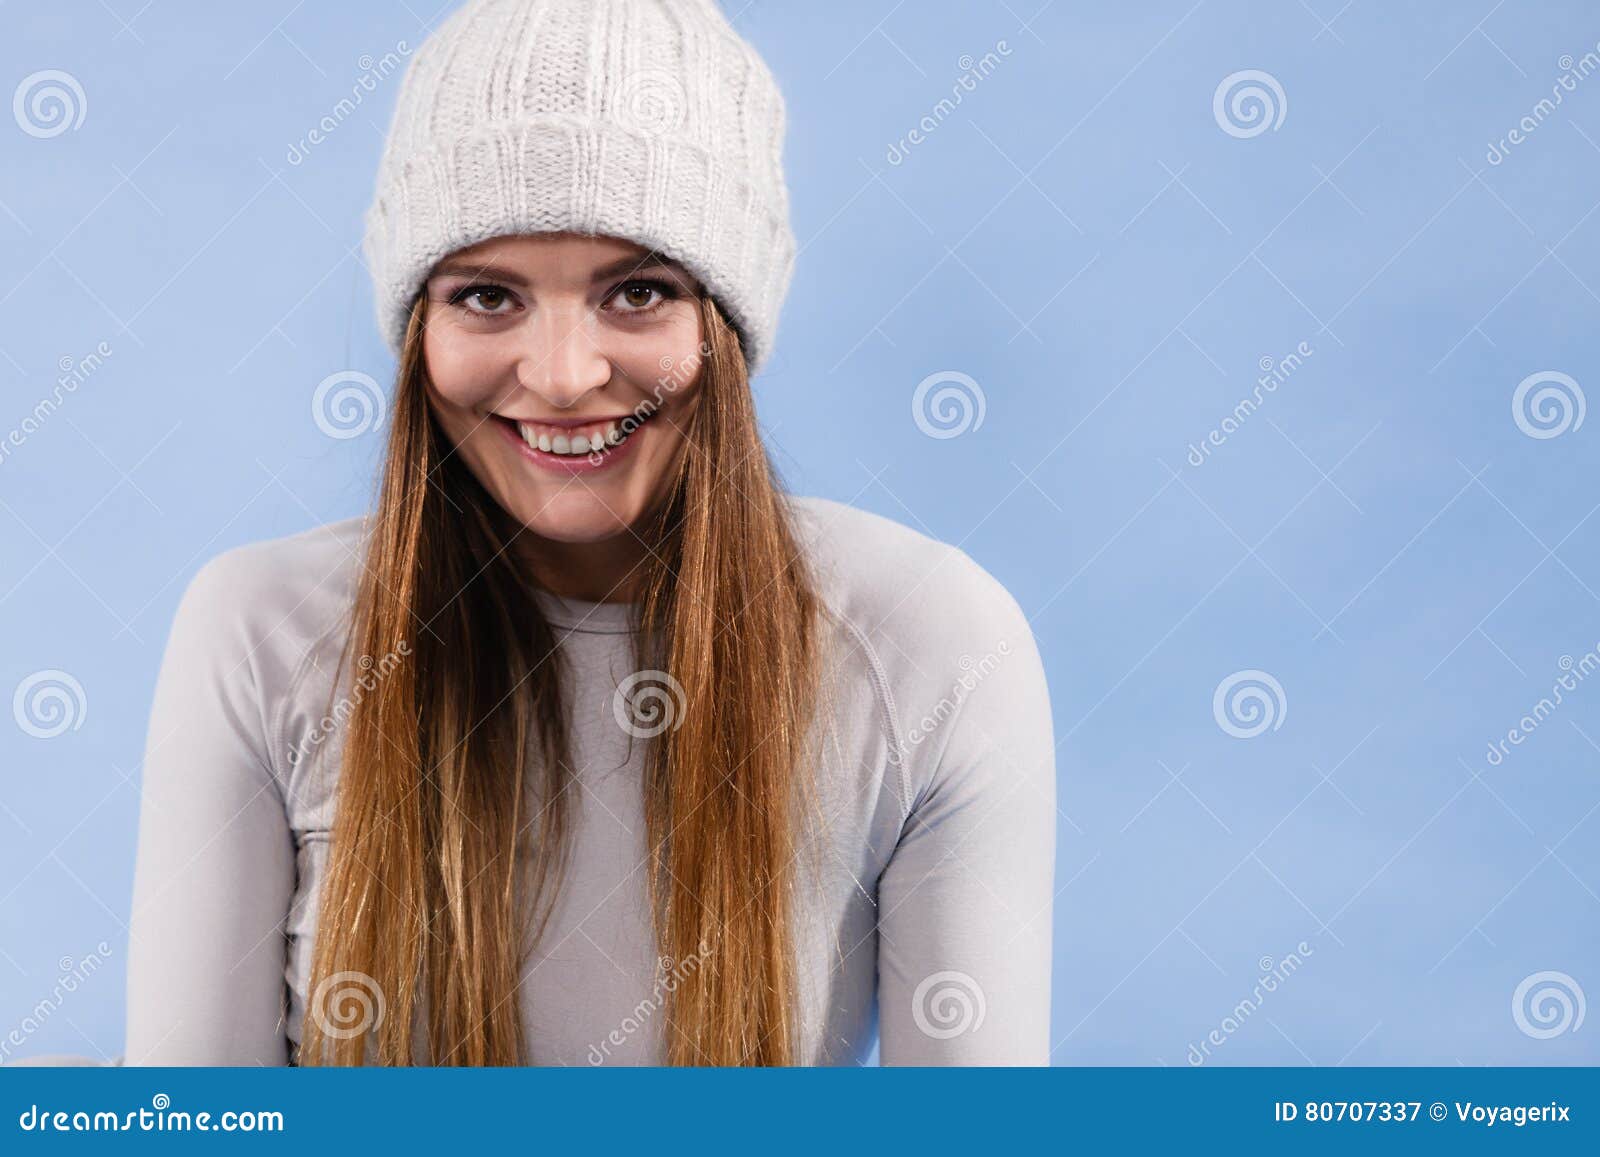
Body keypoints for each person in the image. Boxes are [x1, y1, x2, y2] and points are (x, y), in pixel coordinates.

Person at [123, 0, 1056, 1066]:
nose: (564, 375)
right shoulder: (257, 629)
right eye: (486, 295)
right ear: (418, 328)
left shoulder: (932, 641)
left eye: (639, 291)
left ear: (724, 328)